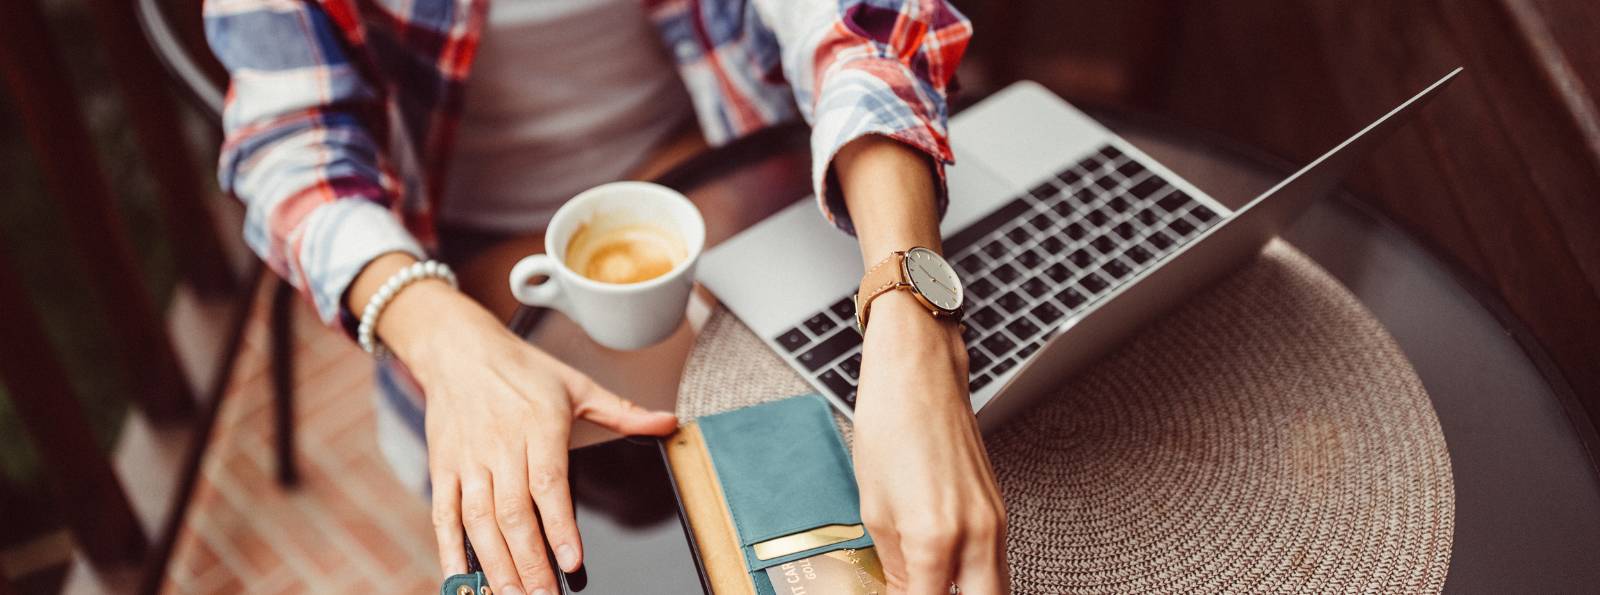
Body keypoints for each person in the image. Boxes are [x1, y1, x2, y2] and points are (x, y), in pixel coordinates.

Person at [205, 0, 1006, 593]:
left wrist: (913, 320)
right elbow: (289, 148)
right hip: (465, 256)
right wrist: (444, 333)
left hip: (712, 167)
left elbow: (863, 21)